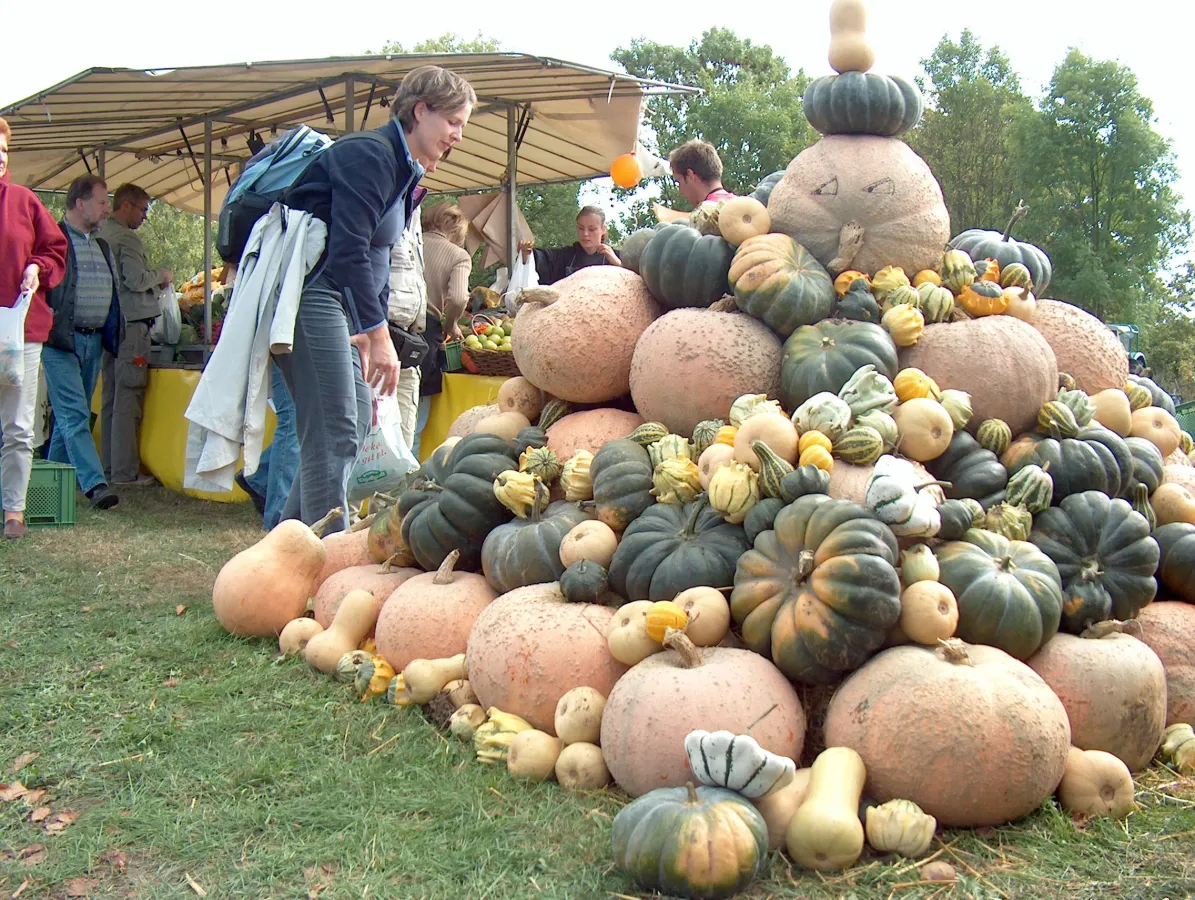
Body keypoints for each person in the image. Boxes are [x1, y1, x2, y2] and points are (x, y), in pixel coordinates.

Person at [280, 65, 475, 531]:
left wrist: (373, 331)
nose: (459, 136)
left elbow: (378, 260)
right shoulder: (369, 155)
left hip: (342, 306)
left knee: (345, 427)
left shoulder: (403, 170)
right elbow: (347, 252)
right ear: (420, 110)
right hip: (314, 296)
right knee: (336, 428)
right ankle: (324, 556)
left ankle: (282, 546)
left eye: (463, 126)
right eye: (454, 122)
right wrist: (377, 335)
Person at [0, 117, 68, 539]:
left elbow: (53, 248)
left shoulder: (24, 202)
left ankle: (14, 513)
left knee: (19, 425)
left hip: (20, 331)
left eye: (3, 150)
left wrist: (36, 267)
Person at [42, 175, 122, 511]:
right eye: (102, 202)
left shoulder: (101, 244)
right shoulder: (54, 239)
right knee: (75, 414)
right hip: (60, 340)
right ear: (79, 203)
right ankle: (95, 485)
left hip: (92, 341)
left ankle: (46, 488)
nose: (107, 210)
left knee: (66, 420)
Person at [98, 183, 172, 487]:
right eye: (143, 209)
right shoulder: (126, 238)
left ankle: (108, 467)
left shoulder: (102, 233)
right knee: (128, 398)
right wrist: (162, 276)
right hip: (132, 326)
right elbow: (135, 278)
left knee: (111, 398)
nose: (144, 216)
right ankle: (125, 473)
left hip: (110, 325)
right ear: (126, 205)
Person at [414, 202, 472, 458]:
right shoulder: (458, 255)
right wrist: (451, 326)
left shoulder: (406, 241)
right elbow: (458, 298)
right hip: (425, 335)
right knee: (413, 422)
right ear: (458, 228)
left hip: (386, 329)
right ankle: (398, 490)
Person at [387, 203, 428, 451]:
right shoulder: (384, 198)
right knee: (370, 426)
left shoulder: (416, 210)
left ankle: (398, 488)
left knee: (406, 427)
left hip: (409, 336)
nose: (433, 169)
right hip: (380, 331)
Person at [516, 206, 619, 285]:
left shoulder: (617, 256)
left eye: (591, 229)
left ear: (603, 229)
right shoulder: (565, 256)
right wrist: (526, 253)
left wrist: (618, 264)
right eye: (581, 228)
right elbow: (538, 260)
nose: (585, 234)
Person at [669, 139, 736, 207]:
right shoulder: (743, 205)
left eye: (679, 181)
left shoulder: (704, 214)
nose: (681, 191)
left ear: (690, 175)